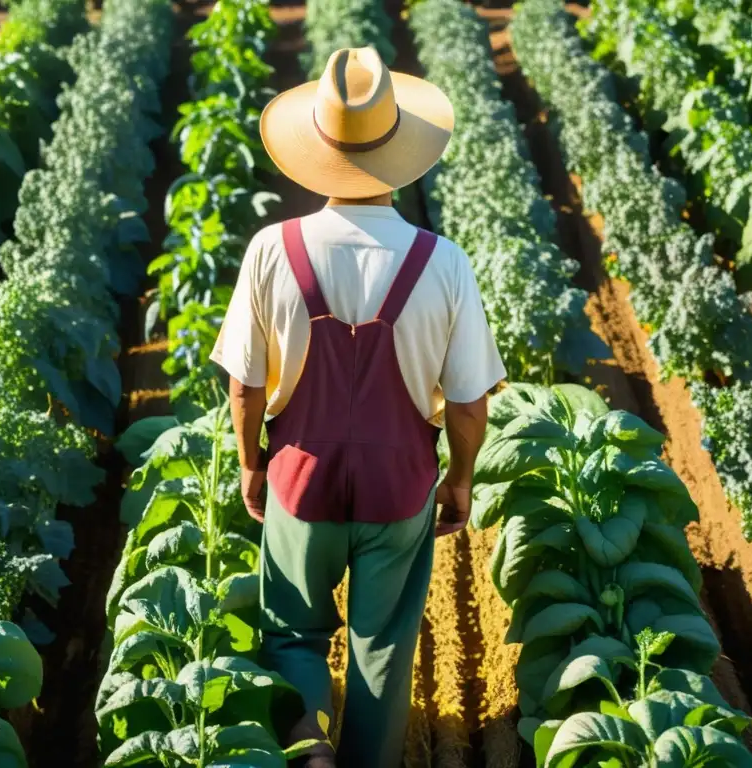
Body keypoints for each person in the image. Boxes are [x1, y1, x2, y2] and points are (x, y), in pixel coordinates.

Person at [210, 46, 507, 768]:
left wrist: (253, 464)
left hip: (299, 478)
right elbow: (468, 403)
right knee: (382, 648)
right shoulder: (442, 261)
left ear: (316, 151)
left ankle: (309, 755)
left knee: (292, 637)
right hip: (398, 484)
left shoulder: (271, 250)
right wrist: (460, 479)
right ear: (401, 150)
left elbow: (245, 386)